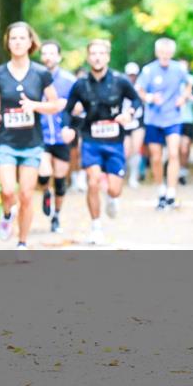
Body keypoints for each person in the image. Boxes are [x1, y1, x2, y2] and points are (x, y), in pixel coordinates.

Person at [0, 22, 63, 252]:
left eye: (22, 38)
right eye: (13, 38)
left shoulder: (41, 73)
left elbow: (56, 103)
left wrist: (35, 105)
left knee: (27, 195)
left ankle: (22, 241)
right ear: (7, 43)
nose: (18, 42)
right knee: (9, 190)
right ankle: (7, 214)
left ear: (31, 43)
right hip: (6, 141)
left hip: (31, 143)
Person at [64, 39, 141, 245]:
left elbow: (136, 100)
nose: (97, 57)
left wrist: (129, 113)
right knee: (93, 181)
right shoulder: (80, 84)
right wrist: (68, 128)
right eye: (93, 53)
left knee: (115, 189)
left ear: (107, 56)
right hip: (91, 139)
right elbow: (67, 109)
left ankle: (113, 198)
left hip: (115, 140)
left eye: (101, 53)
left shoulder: (120, 81)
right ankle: (96, 227)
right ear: (88, 57)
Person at [135, 38, 192, 210]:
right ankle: (161, 189)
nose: (165, 55)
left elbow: (190, 83)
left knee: (173, 153)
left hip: (173, 118)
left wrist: (183, 98)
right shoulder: (149, 70)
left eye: (168, 52)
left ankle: (171, 193)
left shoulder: (178, 69)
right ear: (157, 53)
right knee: (156, 156)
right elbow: (139, 89)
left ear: (172, 53)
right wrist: (150, 98)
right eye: (162, 52)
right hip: (153, 118)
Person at [37, 40, 79, 234]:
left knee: (61, 179)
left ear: (59, 57)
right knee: (44, 173)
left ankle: (56, 216)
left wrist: (72, 128)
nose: (48, 57)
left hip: (62, 137)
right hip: (41, 136)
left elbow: (79, 108)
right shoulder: (34, 78)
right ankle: (45, 191)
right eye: (44, 53)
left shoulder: (69, 81)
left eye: (52, 53)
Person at [176, 58, 193, 185]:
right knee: (176, 148)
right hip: (173, 120)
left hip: (187, 120)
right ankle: (175, 170)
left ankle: (183, 171)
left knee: (185, 148)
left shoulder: (192, 81)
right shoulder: (172, 80)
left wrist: (189, 97)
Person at [122, 62, 145, 189]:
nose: (132, 77)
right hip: (125, 122)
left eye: (134, 75)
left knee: (136, 149)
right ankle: (123, 174)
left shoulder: (141, 87)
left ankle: (133, 177)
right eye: (129, 75)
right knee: (126, 151)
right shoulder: (121, 86)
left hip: (137, 121)